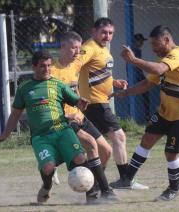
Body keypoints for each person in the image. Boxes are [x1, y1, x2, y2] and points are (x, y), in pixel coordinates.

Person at [0, 50, 111, 204]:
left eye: (48, 65)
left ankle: (92, 196)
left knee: (80, 158)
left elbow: (76, 102)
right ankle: (47, 186)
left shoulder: (58, 84)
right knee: (48, 167)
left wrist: (82, 103)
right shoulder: (24, 88)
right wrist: (5, 135)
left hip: (63, 130)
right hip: (41, 137)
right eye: (42, 66)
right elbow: (15, 114)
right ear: (34, 67)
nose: (46, 69)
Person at [109, 25, 179, 201]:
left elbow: (158, 70)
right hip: (166, 112)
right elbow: (148, 83)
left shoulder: (178, 54)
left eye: (156, 44)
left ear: (167, 40)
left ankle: (175, 188)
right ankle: (127, 178)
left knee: (170, 153)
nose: (153, 49)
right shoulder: (165, 60)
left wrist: (134, 60)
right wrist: (125, 93)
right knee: (147, 139)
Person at [77, 17, 148, 190]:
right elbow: (75, 66)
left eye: (110, 33)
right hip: (94, 103)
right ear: (94, 32)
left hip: (99, 103)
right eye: (104, 32)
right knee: (119, 137)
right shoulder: (89, 48)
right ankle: (124, 179)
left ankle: (93, 182)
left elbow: (97, 74)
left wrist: (114, 82)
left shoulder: (104, 51)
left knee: (96, 146)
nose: (107, 36)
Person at [51, 31, 118, 203]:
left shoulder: (76, 64)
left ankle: (91, 183)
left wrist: (114, 82)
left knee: (107, 151)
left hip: (80, 117)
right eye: (73, 48)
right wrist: (68, 114)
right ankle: (102, 191)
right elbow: (49, 103)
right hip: (64, 120)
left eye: (79, 48)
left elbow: (94, 70)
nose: (77, 52)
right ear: (62, 47)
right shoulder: (52, 72)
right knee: (90, 144)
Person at [132, 33, 150, 121]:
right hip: (137, 74)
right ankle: (147, 115)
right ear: (136, 41)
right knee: (146, 94)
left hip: (136, 74)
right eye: (141, 41)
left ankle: (145, 115)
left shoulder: (133, 50)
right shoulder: (136, 50)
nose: (142, 43)